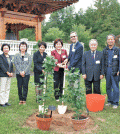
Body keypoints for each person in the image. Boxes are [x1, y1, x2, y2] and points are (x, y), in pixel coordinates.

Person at [103, 34, 120, 109]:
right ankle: (110, 101)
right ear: (107, 41)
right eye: (108, 39)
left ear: (114, 40)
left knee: (115, 87)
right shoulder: (105, 50)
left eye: (111, 39)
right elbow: (103, 61)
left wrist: (119, 70)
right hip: (107, 70)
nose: (110, 41)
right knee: (108, 86)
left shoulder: (117, 50)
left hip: (115, 70)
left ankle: (115, 102)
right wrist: (103, 71)